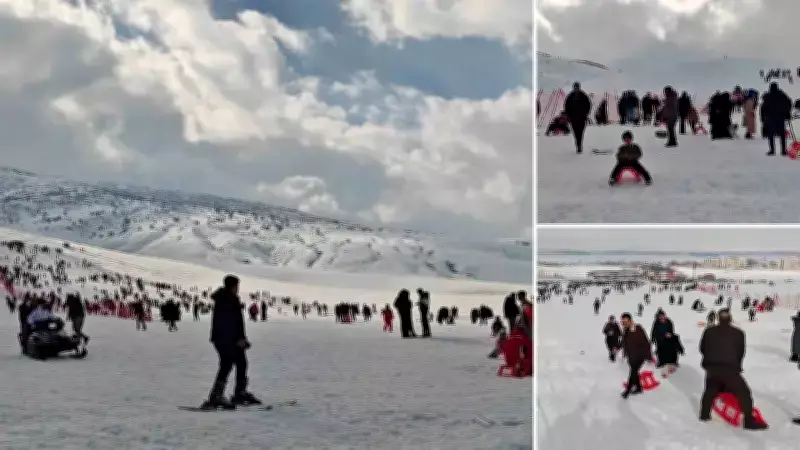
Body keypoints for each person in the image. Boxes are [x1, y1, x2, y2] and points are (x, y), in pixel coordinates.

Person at [699, 309, 767, 430]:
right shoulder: (738, 333)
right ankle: (749, 421)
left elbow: (702, 348)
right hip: (729, 369)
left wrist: (711, 360)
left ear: (718, 319)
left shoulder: (708, 331)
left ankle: (704, 415)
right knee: (744, 393)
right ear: (730, 319)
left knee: (709, 391)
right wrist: (736, 366)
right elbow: (741, 352)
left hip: (711, 368)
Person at [203, 275, 261, 410]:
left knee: (241, 363)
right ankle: (216, 396)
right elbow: (228, 323)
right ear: (232, 286)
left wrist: (242, 338)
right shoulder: (226, 300)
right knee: (227, 364)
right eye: (237, 286)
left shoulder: (230, 299)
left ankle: (240, 393)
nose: (238, 288)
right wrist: (238, 339)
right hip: (225, 339)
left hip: (231, 338)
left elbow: (236, 322)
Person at [620, 313, 652, 398]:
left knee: (633, 372)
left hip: (640, 356)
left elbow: (646, 343)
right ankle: (639, 387)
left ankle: (628, 390)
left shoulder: (638, 329)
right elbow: (625, 343)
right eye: (622, 322)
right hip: (631, 356)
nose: (624, 324)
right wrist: (625, 353)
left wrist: (649, 356)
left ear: (630, 321)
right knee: (635, 372)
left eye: (626, 322)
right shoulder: (625, 330)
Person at [761, 82, 792, 156]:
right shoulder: (782, 95)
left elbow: (763, 108)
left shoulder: (768, 96)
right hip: (780, 117)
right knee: (782, 134)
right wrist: (787, 114)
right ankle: (783, 151)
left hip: (770, 118)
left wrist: (763, 117)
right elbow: (788, 103)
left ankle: (772, 150)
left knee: (771, 135)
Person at [563, 82, 592, 154]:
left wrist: (586, 114)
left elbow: (588, 105)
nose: (576, 89)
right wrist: (568, 115)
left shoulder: (583, 96)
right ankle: (578, 144)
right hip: (573, 118)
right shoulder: (570, 96)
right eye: (575, 87)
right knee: (576, 133)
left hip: (582, 118)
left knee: (580, 133)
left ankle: (579, 145)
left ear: (579, 87)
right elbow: (566, 107)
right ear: (574, 88)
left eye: (577, 87)